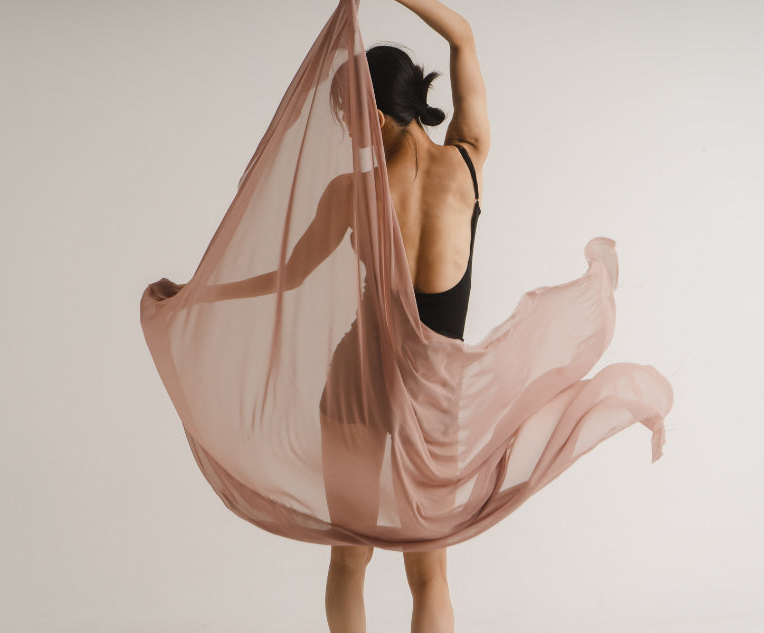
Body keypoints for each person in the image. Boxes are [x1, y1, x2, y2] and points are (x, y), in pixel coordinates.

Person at [322, 2, 489, 633]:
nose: (349, 131)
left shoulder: (354, 192)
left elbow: (284, 276)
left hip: (358, 376)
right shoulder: (467, 159)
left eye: (348, 117)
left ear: (370, 114)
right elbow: (462, 35)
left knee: (349, 560)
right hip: (434, 390)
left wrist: (196, 294)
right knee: (429, 573)